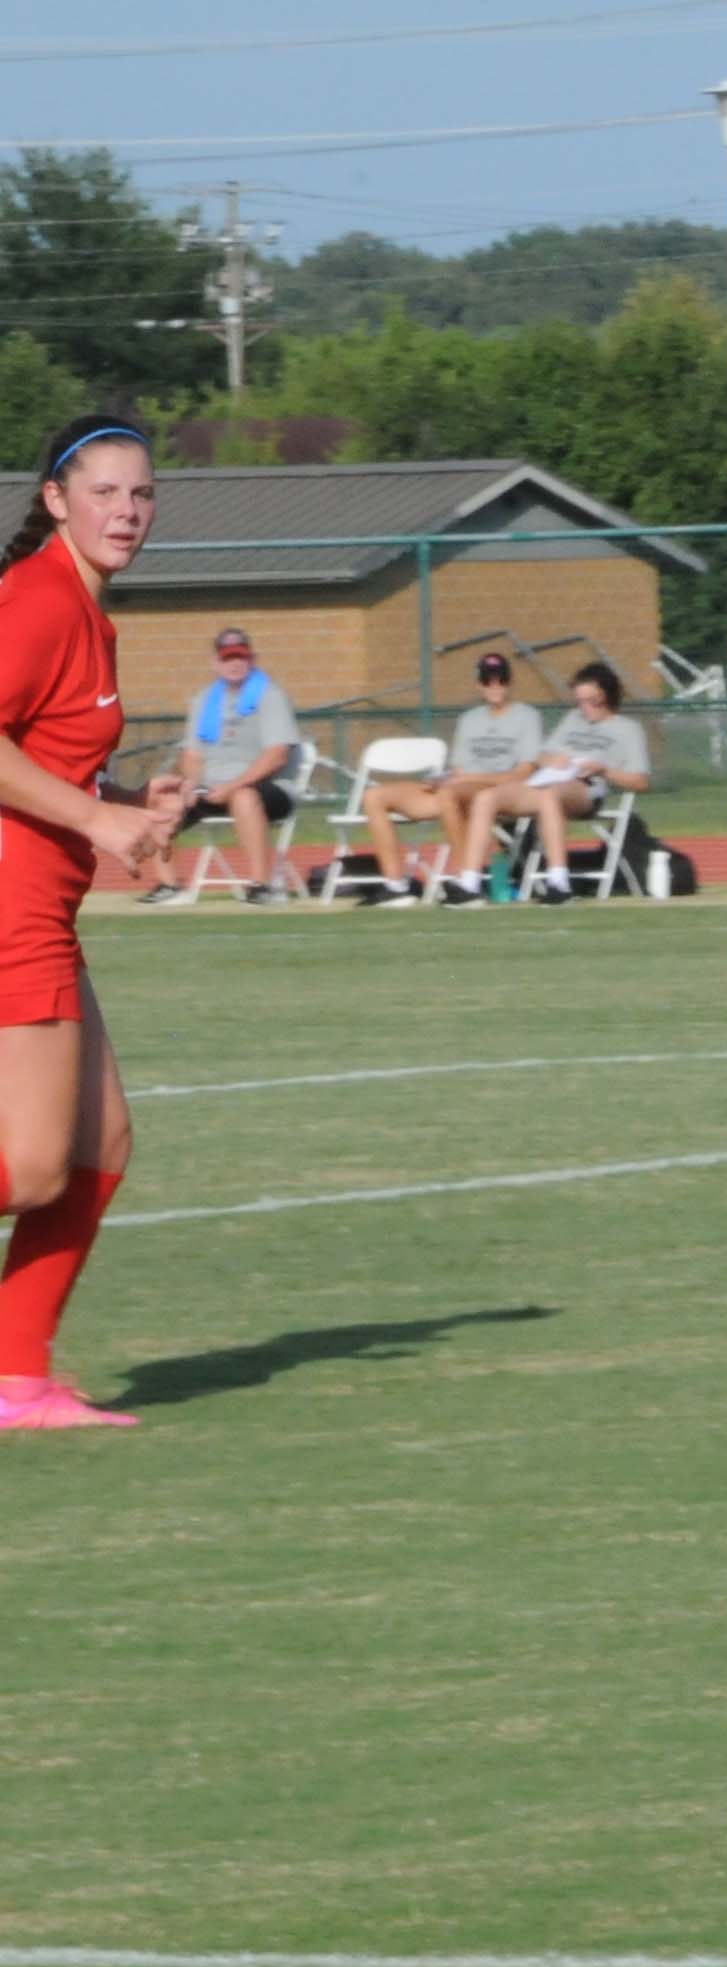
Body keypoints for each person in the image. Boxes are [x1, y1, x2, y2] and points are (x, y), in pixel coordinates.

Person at [0, 416, 187, 1431]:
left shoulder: (86, 608)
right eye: (105, 492)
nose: (127, 512)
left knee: (100, 1142)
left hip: (45, 903)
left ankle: (14, 1379)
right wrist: (94, 817)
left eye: (142, 494)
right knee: (33, 1167)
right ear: (56, 500)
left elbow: (44, 755)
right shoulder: (37, 599)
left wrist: (126, 801)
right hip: (9, 902)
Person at [449, 662, 649, 904]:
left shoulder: (627, 729)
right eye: (580, 701)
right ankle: (469, 884)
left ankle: (558, 883)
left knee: (549, 796)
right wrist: (553, 760)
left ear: (607, 696)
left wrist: (604, 770)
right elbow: (542, 756)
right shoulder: (573, 719)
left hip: (586, 787)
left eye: (592, 701)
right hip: (548, 781)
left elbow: (640, 781)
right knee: (486, 798)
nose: (585, 708)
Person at [359, 648, 544, 905]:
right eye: (487, 680)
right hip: (460, 789)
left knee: (448, 793)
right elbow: (459, 770)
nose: (495, 686)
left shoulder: (527, 716)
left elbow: (522, 774)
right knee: (374, 796)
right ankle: (396, 886)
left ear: (510, 682)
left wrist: (462, 781)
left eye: (501, 680)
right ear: (479, 684)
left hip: (497, 791)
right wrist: (450, 780)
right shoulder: (469, 719)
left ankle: (464, 880)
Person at [146, 623, 301, 905]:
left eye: (241, 657)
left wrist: (232, 787)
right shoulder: (204, 699)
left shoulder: (270, 695)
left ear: (251, 659)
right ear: (215, 663)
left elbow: (277, 755)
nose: (235, 664)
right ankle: (169, 886)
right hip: (213, 789)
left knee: (243, 797)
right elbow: (192, 755)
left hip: (269, 788)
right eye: (228, 658)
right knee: (162, 801)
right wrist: (191, 785)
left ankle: (261, 886)